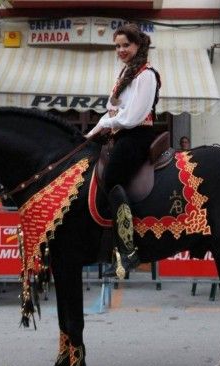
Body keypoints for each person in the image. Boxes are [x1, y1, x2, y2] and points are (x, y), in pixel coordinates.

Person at [85, 24, 161, 278]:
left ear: (137, 45)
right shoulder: (125, 73)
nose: (121, 50)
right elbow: (111, 112)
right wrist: (89, 135)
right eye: (117, 46)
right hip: (120, 134)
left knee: (112, 178)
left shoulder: (146, 74)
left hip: (137, 135)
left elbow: (131, 117)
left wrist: (105, 125)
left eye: (125, 45)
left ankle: (128, 251)